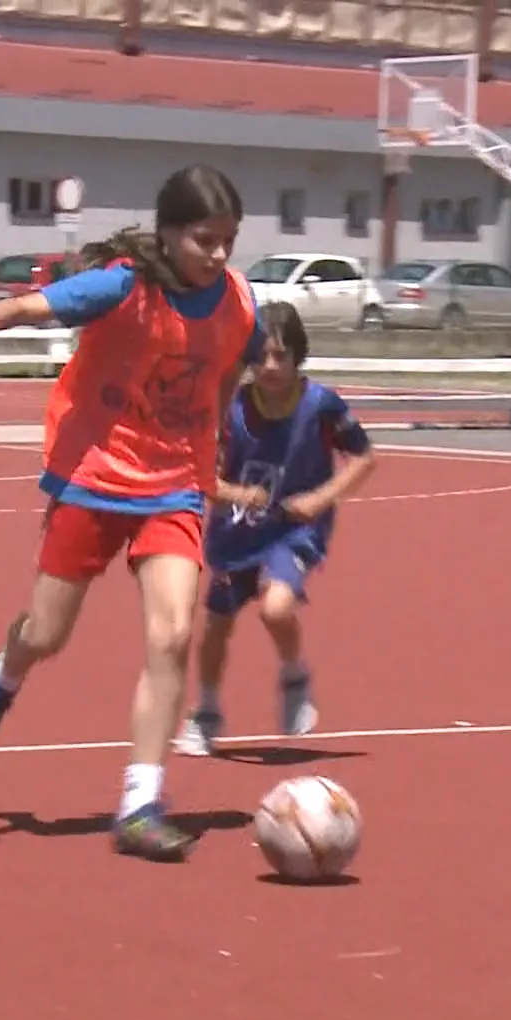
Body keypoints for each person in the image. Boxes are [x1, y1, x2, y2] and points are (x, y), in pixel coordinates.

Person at [0, 165, 263, 862]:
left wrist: (217, 444)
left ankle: (140, 804)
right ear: (171, 233)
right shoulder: (122, 286)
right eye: (205, 239)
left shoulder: (238, 301)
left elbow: (233, 367)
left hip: (173, 484)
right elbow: (30, 306)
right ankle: (4, 674)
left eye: (229, 239)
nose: (219, 254)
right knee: (47, 632)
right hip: (94, 478)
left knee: (172, 633)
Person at [173, 301, 376, 758]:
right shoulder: (231, 409)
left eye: (280, 356)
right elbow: (199, 474)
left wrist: (321, 499)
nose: (269, 366)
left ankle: (294, 675)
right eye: (260, 356)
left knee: (276, 608)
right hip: (236, 531)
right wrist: (233, 495)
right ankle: (205, 712)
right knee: (216, 628)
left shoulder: (321, 404)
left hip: (294, 528)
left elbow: (365, 459)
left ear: (297, 356)